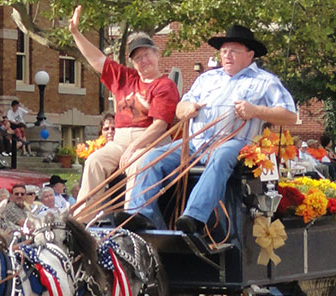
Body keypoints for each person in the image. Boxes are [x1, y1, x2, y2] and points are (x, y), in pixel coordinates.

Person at [126, 24, 297, 234]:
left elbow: (290, 115)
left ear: (250, 55)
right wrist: (185, 108)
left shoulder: (265, 81)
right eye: (224, 51)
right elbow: (180, 107)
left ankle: (194, 217)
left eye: (234, 51)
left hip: (236, 143)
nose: (227, 55)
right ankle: (141, 215)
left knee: (222, 154)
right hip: (196, 143)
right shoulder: (207, 78)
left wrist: (256, 110)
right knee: (152, 156)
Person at [69, 6, 180, 215]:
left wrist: (133, 148)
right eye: (137, 58)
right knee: (94, 160)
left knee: (138, 163)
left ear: (157, 55)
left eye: (147, 55)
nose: (143, 61)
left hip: (150, 143)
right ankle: (84, 220)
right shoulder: (126, 78)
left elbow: (159, 125)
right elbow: (96, 59)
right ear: (132, 62)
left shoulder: (164, 85)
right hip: (120, 141)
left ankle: (131, 220)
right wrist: (76, 33)